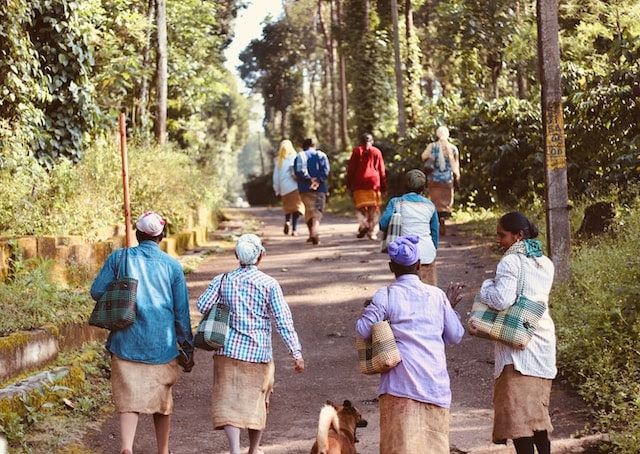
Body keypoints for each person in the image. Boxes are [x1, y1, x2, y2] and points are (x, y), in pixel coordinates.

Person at [90, 211, 194, 454]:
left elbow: (96, 292)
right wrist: (186, 346)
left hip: (126, 341)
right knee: (162, 402)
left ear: (138, 234)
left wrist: (121, 291)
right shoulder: (172, 266)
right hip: (162, 345)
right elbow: (181, 311)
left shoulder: (120, 258)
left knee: (128, 400)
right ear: (162, 236)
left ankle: (127, 448)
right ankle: (163, 450)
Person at [196, 233, 305, 454]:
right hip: (258, 352)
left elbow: (202, 305)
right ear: (260, 257)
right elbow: (283, 320)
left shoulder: (223, 280)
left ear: (236, 255)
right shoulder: (269, 284)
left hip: (226, 350)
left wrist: (224, 301)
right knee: (258, 400)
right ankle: (254, 449)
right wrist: (296, 352)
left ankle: (235, 449)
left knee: (228, 400)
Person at [355, 235, 464, 454]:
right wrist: (448, 308)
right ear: (419, 265)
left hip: (399, 386)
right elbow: (455, 335)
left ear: (390, 267)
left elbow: (363, 330)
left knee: (399, 447)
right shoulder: (437, 295)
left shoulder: (385, 295)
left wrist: (372, 311)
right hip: (435, 385)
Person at [478, 212, 556, 454]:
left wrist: (485, 287)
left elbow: (502, 300)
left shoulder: (510, 262)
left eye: (503, 236)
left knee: (519, 422)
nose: (499, 241)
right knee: (538, 419)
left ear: (518, 236)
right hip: (542, 342)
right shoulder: (545, 262)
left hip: (517, 349)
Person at [379, 169, 440, 285]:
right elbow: (434, 234)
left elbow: (383, 224)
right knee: (429, 290)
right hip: (427, 253)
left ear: (405, 185)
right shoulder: (430, 205)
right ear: (423, 187)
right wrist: (431, 250)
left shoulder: (396, 202)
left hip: (404, 256)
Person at [346, 133, 387, 240]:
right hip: (374, 183)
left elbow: (351, 170)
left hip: (359, 184)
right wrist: (384, 187)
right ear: (372, 141)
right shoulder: (377, 152)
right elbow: (381, 171)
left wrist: (348, 184)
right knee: (374, 209)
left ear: (360, 141)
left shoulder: (356, 151)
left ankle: (364, 224)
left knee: (360, 208)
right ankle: (372, 231)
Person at [421, 126, 461, 236]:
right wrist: (457, 178)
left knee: (435, 202)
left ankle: (436, 222)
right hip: (447, 180)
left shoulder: (432, 146)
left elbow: (423, 157)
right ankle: (443, 219)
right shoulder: (453, 148)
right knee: (446, 202)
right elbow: (456, 166)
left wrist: (433, 155)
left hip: (433, 179)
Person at [294, 137, 330, 245]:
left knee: (309, 210)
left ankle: (311, 234)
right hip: (319, 188)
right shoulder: (321, 155)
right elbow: (326, 170)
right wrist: (318, 180)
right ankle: (314, 232)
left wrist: (309, 178)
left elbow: (297, 171)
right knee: (317, 210)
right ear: (314, 145)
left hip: (304, 188)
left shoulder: (300, 156)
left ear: (303, 146)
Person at [272, 139, 305, 236]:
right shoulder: (295, 157)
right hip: (295, 186)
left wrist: (277, 189)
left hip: (284, 188)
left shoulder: (278, 160)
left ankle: (287, 221)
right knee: (296, 208)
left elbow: (276, 176)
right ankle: (294, 229)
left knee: (287, 208)